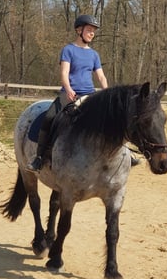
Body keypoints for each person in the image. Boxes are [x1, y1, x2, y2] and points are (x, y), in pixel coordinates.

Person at [27, 14, 108, 171]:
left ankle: (122, 155)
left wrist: (107, 92)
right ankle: (39, 157)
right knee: (49, 118)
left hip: (89, 95)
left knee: (110, 118)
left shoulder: (94, 54)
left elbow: (101, 76)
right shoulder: (68, 50)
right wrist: (69, 89)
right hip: (69, 94)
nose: (92, 33)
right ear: (79, 30)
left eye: (94, 31)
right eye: (89, 30)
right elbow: (64, 73)